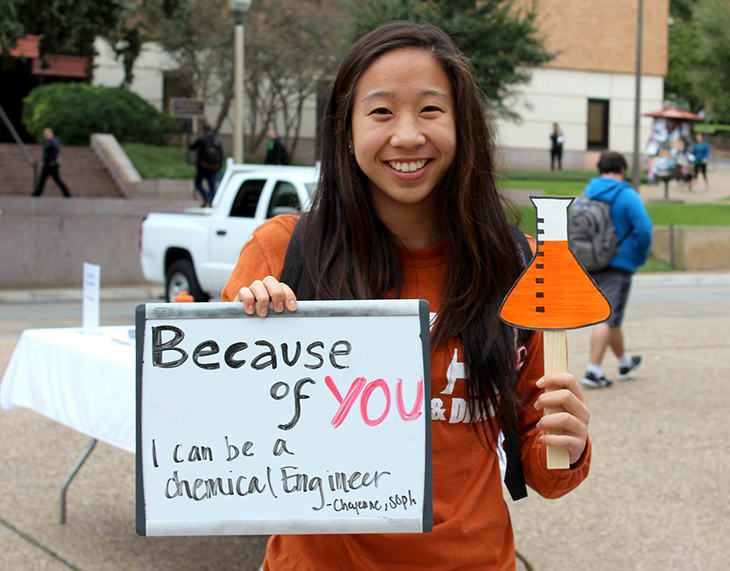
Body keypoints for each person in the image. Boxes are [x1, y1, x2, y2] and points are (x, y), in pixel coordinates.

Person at [222, 21, 591, 570]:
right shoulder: (282, 252)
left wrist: (568, 442)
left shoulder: (517, 263)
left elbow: (544, 470)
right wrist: (241, 337)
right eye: (380, 112)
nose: (407, 135)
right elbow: (221, 429)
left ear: (463, 126)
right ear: (345, 130)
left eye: (431, 110)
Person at [580, 152, 653, 389]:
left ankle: (624, 362)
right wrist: (639, 254)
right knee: (607, 317)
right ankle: (593, 370)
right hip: (619, 262)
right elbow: (644, 228)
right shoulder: (627, 195)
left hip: (591, 261)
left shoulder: (586, 194)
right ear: (622, 170)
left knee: (612, 316)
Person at [190, 123, 224, 207]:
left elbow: (192, 147)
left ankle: (206, 197)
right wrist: (219, 167)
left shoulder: (202, 139)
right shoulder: (216, 140)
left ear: (203, 131)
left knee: (198, 183)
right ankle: (212, 202)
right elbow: (221, 155)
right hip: (214, 167)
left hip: (203, 166)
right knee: (212, 186)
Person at [32, 128, 71, 197]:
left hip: (52, 164)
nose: (46, 135)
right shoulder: (48, 142)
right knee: (43, 179)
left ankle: (67, 193)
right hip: (47, 163)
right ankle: (37, 193)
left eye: (47, 134)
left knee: (55, 179)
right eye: (45, 134)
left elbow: (56, 150)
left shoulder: (53, 141)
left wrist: (52, 160)